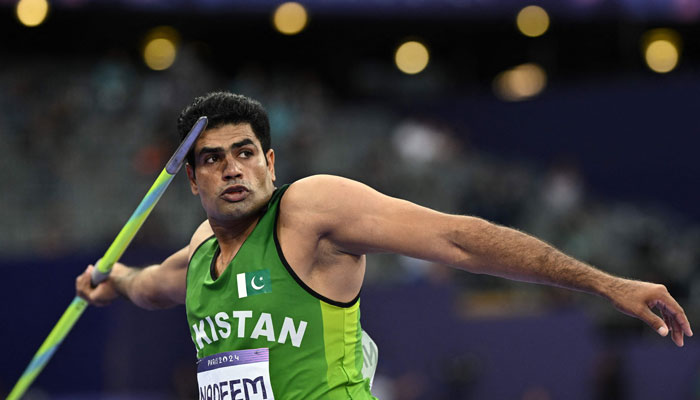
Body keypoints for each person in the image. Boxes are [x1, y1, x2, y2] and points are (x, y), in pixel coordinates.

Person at [76, 91, 692, 400]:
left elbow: (459, 238)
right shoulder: (203, 250)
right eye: (212, 159)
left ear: (270, 161)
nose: (232, 169)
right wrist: (115, 280)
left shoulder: (308, 211)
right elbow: (155, 284)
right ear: (192, 178)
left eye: (244, 154)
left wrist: (603, 282)